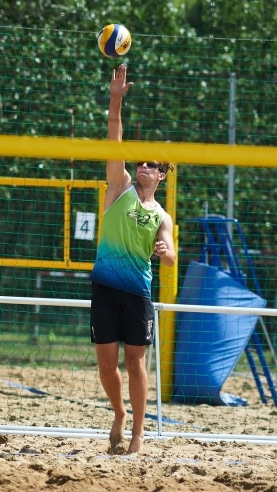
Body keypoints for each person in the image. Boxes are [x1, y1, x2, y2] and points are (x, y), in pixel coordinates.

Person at [88, 64, 176, 455]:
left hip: (138, 290)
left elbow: (171, 254)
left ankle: (139, 433)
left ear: (162, 176)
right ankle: (119, 414)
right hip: (106, 286)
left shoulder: (162, 215)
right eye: (141, 161)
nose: (144, 166)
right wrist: (115, 100)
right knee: (107, 364)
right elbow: (113, 138)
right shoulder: (120, 185)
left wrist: (166, 252)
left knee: (136, 362)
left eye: (152, 165)